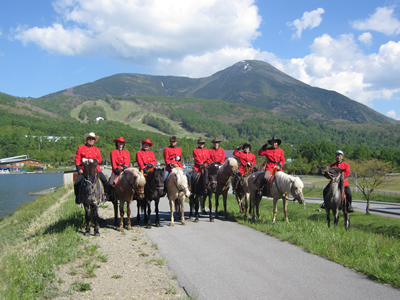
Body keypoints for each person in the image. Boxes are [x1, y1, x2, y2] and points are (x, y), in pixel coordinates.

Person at [74, 132, 108, 204]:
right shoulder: (80, 148)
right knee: (76, 183)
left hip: (95, 169)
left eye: (92, 139)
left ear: (94, 141)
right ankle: (78, 197)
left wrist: (95, 160)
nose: (91, 140)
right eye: (89, 139)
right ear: (87, 140)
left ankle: (105, 195)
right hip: (84, 169)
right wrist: (79, 168)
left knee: (105, 181)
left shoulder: (97, 150)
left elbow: (100, 159)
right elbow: (77, 159)